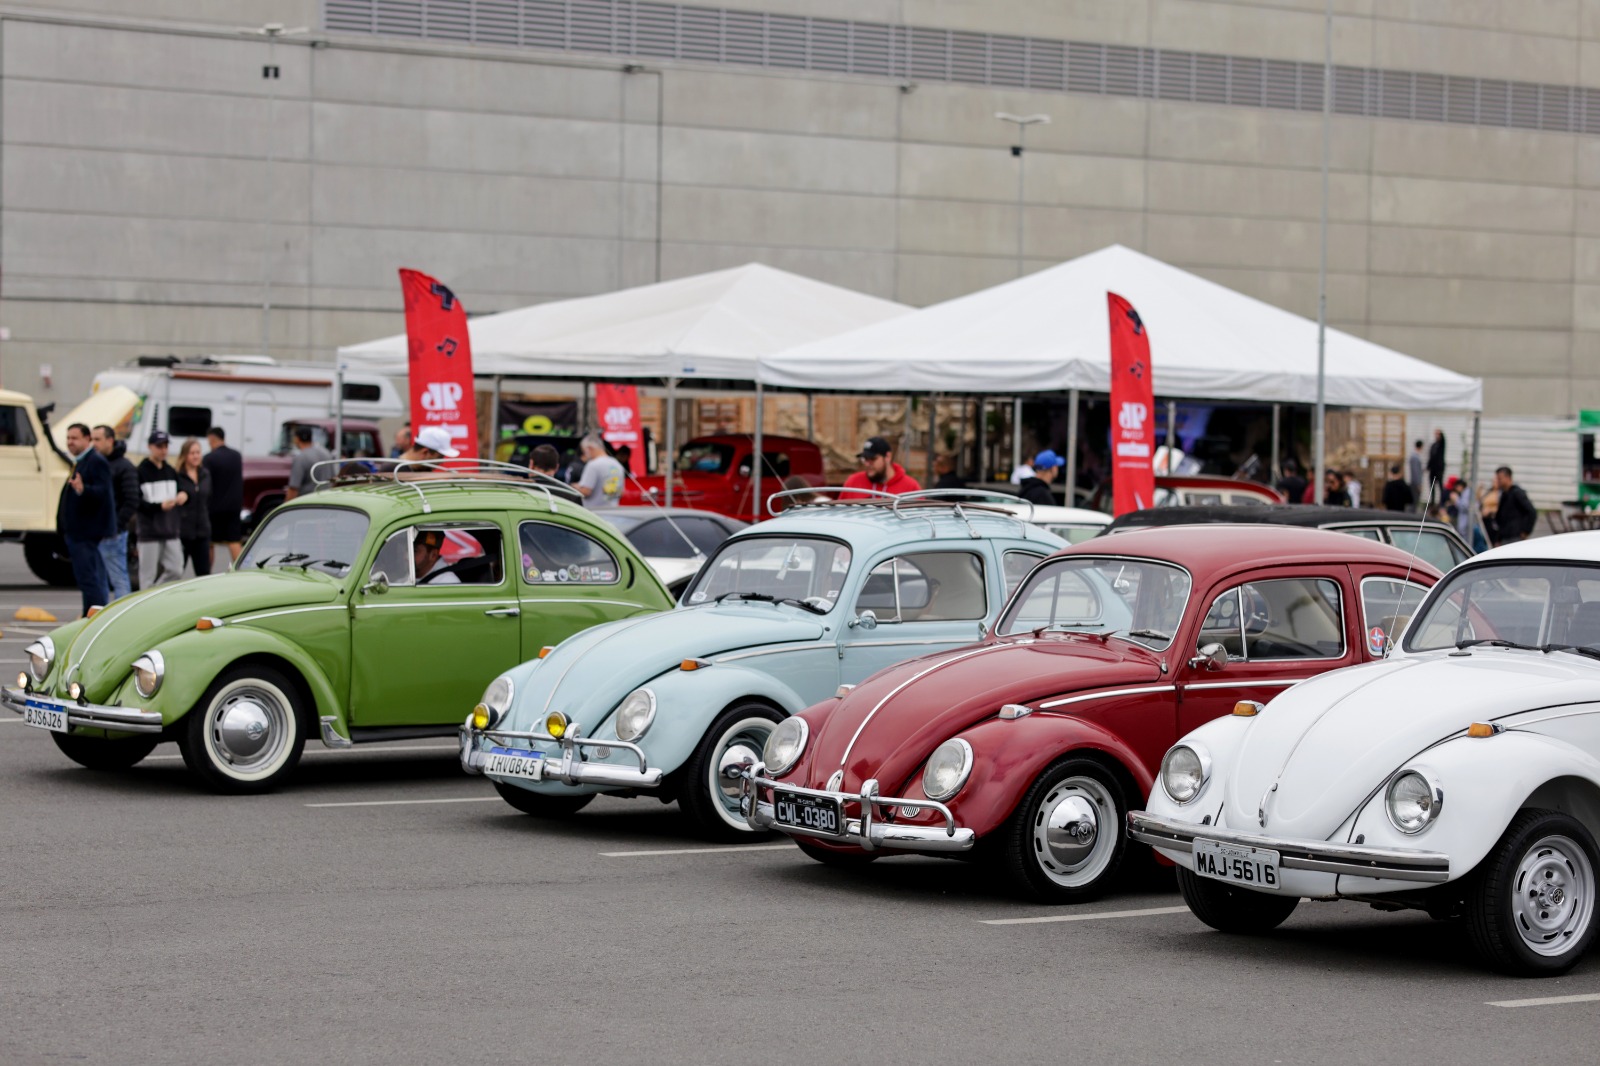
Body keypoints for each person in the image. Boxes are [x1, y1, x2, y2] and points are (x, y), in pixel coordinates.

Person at [57, 423, 115, 616]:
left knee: (90, 580)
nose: (70, 442)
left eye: (74, 438)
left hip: (86, 533)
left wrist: (84, 490)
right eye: (68, 438)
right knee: (87, 579)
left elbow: (103, 492)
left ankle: (92, 619)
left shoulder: (95, 461)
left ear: (87, 439)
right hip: (77, 532)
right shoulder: (80, 461)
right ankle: (89, 616)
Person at [91, 424, 138, 600]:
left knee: (118, 578)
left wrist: (115, 526)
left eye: (97, 439)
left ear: (110, 441)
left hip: (113, 533)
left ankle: (123, 616)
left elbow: (132, 499)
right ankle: (101, 614)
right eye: (92, 439)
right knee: (98, 579)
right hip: (96, 531)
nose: (93, 443)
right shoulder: (97, 463)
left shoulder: (124, 466)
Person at [136, 431, 186, 587]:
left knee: (176, 569)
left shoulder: (170, 470)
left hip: (170, 530)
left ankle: (155, 594)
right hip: (149, 532)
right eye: (159, 446)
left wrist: (183, 495)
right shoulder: (141, 471)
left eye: (165, 446)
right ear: (150, 447)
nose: (163, 450)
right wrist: (159, 507)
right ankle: (147, 603)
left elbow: (183, 489)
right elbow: (136, 502)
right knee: (147, 576)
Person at [203, 426, 244, 564]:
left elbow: (206, 483)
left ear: (212, 439)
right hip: (234, 506)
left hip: (214, 507)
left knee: (209, 543)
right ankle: (242, 571)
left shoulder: (209, 458)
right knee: (234, 541)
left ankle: (206, 574)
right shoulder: (236, 456)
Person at [175, 438, 213, 577]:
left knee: (203, 574)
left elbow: (208, 498)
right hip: (183, 532)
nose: (196, 456)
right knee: (177, 572)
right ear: (185, 455)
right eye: (192, 453)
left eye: (198, 452)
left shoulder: (205, 474)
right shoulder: (178, 475)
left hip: (202, 531)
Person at [840, 436, 921, 498]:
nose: (867, 464)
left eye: (872, 459)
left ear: (888, 457)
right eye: (865, 459)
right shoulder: (853, 483)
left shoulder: (910, 487)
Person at [575, 434, 625, 509]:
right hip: (614, 511)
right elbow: (621, 492)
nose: (585, 455)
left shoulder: (593, 465)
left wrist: (573, 487)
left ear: (590, 448)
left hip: (595, 513)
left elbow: (586, 491)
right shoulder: (617, 464)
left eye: (584, 451)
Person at [1491, 466, 1536, 545]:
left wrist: (1526, 531)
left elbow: (1531, 511)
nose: (1498, 481)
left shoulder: (1517, 493)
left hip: (1515, 536)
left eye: (1500, 479)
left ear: (1507, 477)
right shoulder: (1504, 494)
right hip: (1504, 536)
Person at [285, 425, 331, 500]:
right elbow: (333, 480)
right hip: (326, 501)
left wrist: (285, 509)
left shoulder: (300, 458)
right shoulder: (326, 453)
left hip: (308, 504)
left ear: (297, 439)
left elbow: (293, 489)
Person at [1426, 429, 1447, 494]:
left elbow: (1443, 441)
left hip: (1439, 469)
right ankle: (1432, 501)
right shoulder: (1433, 445)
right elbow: (1431, 457)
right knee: (1432, 485)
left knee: (1440, 485)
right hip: (1433, 469)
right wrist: (1428, 466)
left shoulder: (1441, 445)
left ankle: (1442, 501)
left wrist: (1440, 433)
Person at [1407, 440, 1426, 509]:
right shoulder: (1415, 457)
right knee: (1415, 500)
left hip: (1414, 482)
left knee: (1414, 500)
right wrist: (1418, 484)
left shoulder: (1414, 456)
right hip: (1415, 483)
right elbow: (1415, 472)